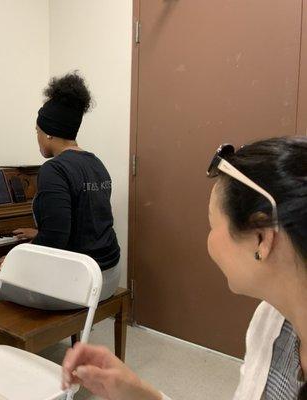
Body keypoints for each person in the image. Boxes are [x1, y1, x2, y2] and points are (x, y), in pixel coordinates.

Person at [62, 136, 307, 399]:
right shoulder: (271, 320)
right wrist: (136, 391)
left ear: (262, 238)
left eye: (213, 225)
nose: (208, 240)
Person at [0, 72, 121, 310]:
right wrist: (38, 234)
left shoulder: (54, 169)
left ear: (49, 133)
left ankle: (1, 344)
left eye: (37, 132)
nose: (38, 138)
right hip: (110, 275)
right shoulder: (96, 163)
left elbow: (55, 239)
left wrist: (14, 258)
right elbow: (86, 221)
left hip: (79, 284)